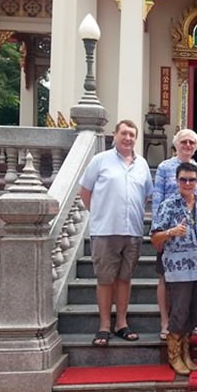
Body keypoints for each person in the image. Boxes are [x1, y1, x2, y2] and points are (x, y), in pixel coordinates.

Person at [79, 119, 153, 347]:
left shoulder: (142, 164)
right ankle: (104, 325)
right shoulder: (100, 161)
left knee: (125, 278)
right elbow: (85, 192)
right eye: (124, 133)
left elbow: (146, 195)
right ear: (115, 135)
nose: (128, 138)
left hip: (132, 231)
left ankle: (121, 322)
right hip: (106, 231)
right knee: (105, 279)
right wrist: (101, 213)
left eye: (132, 135)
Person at [151, 162, 197, 375]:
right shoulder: (168, 205)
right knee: (180, 311)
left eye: (192, 179)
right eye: (183, 179)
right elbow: (154, 237)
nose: (187, 183)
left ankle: (186, 351)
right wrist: (171, 232)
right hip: (179, 268)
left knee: (194, 312)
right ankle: (174, 354)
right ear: (176, 181)